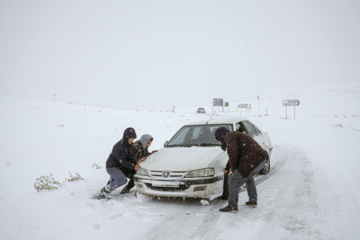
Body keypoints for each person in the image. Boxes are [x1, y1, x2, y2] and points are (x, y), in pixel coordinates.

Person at [215, 127, 269, 212]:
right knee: (248, 177)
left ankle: (232, 206)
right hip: (260, 159)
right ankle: (252, 200)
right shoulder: (234, 135)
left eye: (219, 139)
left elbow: (233, 153)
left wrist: (232, 169)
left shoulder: (230, 136)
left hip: (252, 161)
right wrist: (227, 167)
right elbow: (234, 155)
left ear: (221, 135)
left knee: (233, 179)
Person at [95, 127, 139, 199]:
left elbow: (130, 157)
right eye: (130, 137)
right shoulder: (119, 146)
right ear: (126, 137)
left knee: (131, 176)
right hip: (112, 167)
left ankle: (103, 193)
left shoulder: (131, 145)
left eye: (133, 138)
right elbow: (123, 161)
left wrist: (138, 161)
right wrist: (134, 166)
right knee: (122, 180)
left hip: (120, 167)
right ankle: (104, 191)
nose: (132, 139)